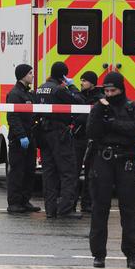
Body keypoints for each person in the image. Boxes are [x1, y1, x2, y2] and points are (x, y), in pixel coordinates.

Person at [87, 71, 135, 269]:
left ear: (121, 89)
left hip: (126, 161)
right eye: (107, 90)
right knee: (99, 208)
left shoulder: (132, 107)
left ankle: (131, 254)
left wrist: (114, 124)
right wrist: (99, 113)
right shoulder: (99, 107)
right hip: (104, 159)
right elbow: (92, 132)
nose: (110, 94)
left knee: (128, 209)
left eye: (113, 90)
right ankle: (98, 254)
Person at [35, 61, 84, 219]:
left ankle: (50, 209)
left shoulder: (41, 87)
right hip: (59, 133)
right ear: (63, 75)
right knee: (68, 171)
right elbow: (79, 102)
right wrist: (72, 86)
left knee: (49, 172)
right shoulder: (60, 89)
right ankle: (66, 209)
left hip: (44, 132)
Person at [5, 64, 40, 213]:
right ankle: (14, 203)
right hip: (18, 140)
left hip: (30, 137)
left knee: (29, 171)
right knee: (17, 172)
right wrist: (21, 136)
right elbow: (12, 117)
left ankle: (25, 201)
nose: (32, 75)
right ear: (22, 75)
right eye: (30, 73)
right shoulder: (15, 94)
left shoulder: (29, 94)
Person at [72, 71, 104, 213]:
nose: (81, 83)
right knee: (74, 171)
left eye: (84, 81)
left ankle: (87, 203)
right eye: (81, 80)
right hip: (79, 139)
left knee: (91, 173)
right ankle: (71, 204)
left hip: (93, 140)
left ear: (92, 83)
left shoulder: (99, 98)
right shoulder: (79, 96)